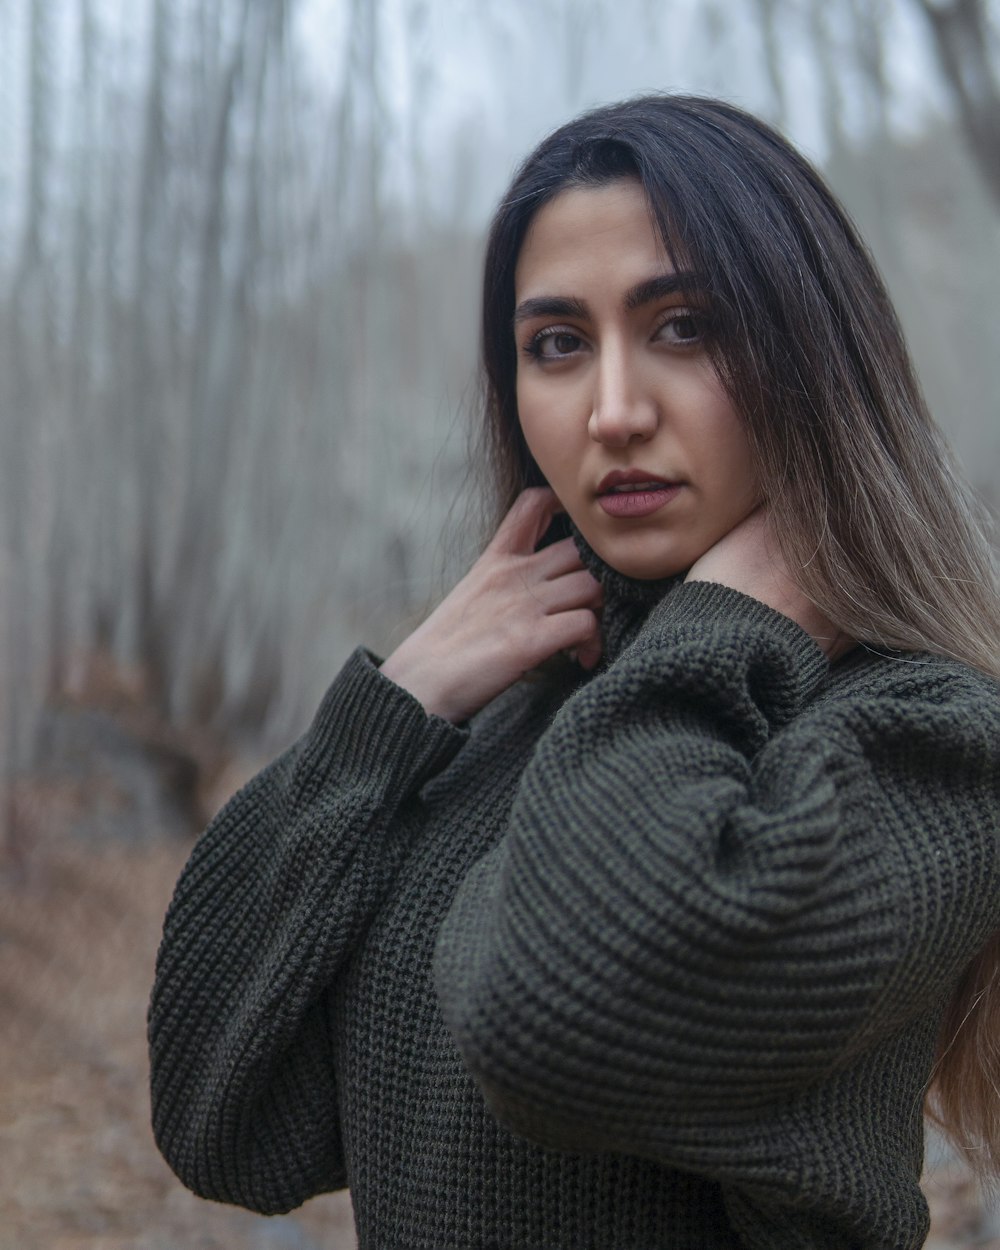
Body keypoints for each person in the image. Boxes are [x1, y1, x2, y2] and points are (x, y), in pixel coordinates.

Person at [148, 95, 1000, 1249]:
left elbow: (560, 1016)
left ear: (813, 356)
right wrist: (393, 708)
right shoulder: (521, 709)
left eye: (686, 326)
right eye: (556, 343)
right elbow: (220, 1115)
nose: (611, 410)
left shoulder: (926, 740)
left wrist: (716, 631)